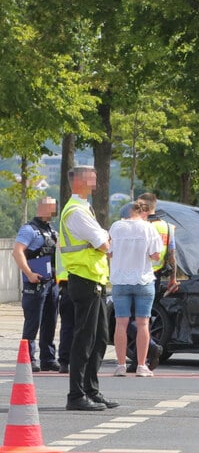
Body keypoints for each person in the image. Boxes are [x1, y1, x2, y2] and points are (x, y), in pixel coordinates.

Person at [59, 165, 116, 411]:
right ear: (80, 182)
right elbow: (104, 243)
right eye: (93, 180)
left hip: (95, 280)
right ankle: (77, 395)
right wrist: (102, 241)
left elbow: (102, 243)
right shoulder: (76, 212)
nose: (97, 184)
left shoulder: (84, 209)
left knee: (100, 338)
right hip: (84, 280)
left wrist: (102, 242)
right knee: (85, 338)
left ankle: (91, 390)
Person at [120, 192, 177, 371]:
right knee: (145, 319)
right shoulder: (168, 227)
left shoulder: (139, 226)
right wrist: (173, 278)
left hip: (137, 275)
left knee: (127, 319)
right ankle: (141, 359)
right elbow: (171, 255)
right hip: (157, 276)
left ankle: (151, 348)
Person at [109, 199, 162, 377]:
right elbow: (155, 256)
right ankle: (141, 365)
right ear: (142, 212)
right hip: (143, 280)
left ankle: (121, 365)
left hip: (120, 280)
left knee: (121, 323)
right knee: (143, 324)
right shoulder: (148, 228)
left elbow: (109, 251)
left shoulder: (116, 227)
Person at [12, 196, 61, 373]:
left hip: (52, 283)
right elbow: (17, 252)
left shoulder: (52, 230)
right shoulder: (29, 230)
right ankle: (28, 358)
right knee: (32, 322)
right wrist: (29, 273)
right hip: (35, 283)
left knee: (50, 321)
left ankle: (48, 358)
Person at [54, 248, 73, 373]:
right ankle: (81, 361)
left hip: (65, 286)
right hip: (82, 282)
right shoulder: (84, 235)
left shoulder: (62, 238)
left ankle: (64, 362)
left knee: (67, 327)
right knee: (85, 328)